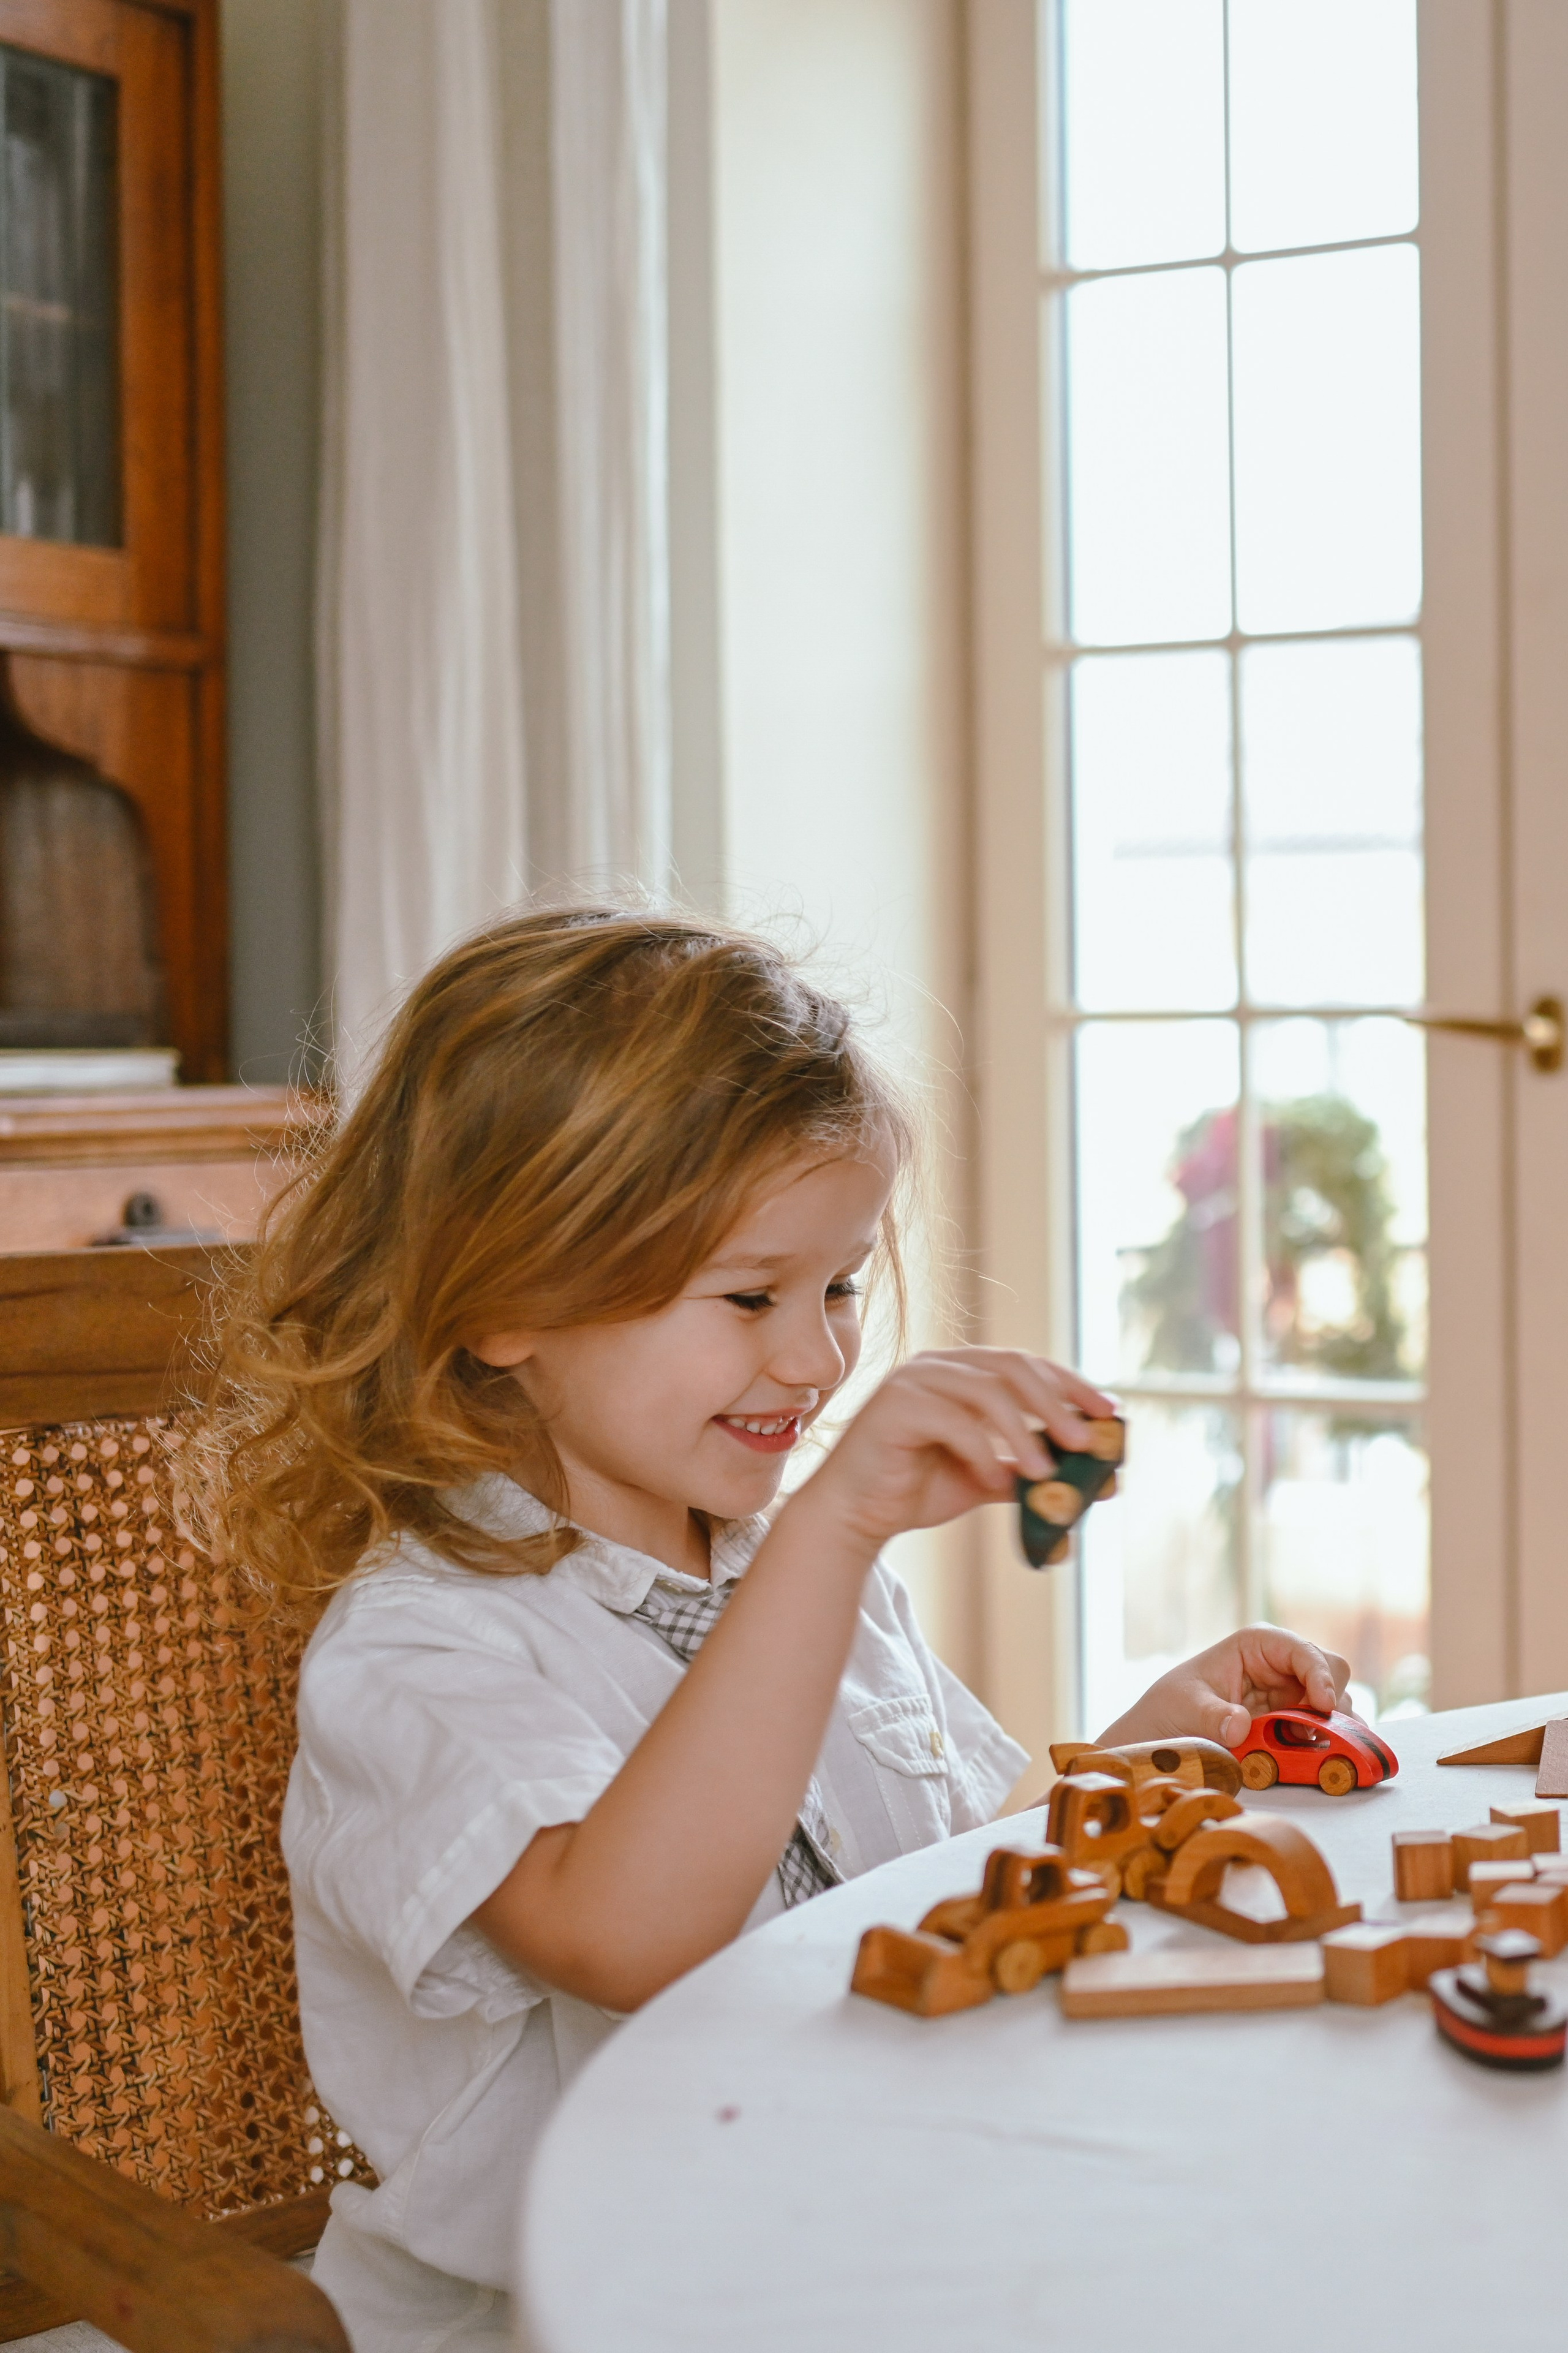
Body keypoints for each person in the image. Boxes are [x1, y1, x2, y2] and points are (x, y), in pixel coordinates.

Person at [192, 906, 1349, 2353]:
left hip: (871, 2240)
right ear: (505, 1297)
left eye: (840, 1286)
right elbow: (623, 1936)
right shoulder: (419, 1653)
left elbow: (951, 1872)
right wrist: (830, 1531)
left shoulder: (794, 1572)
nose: (814, 1359)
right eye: (749, 1296)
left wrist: (1145, 1741)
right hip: (564, 2314)